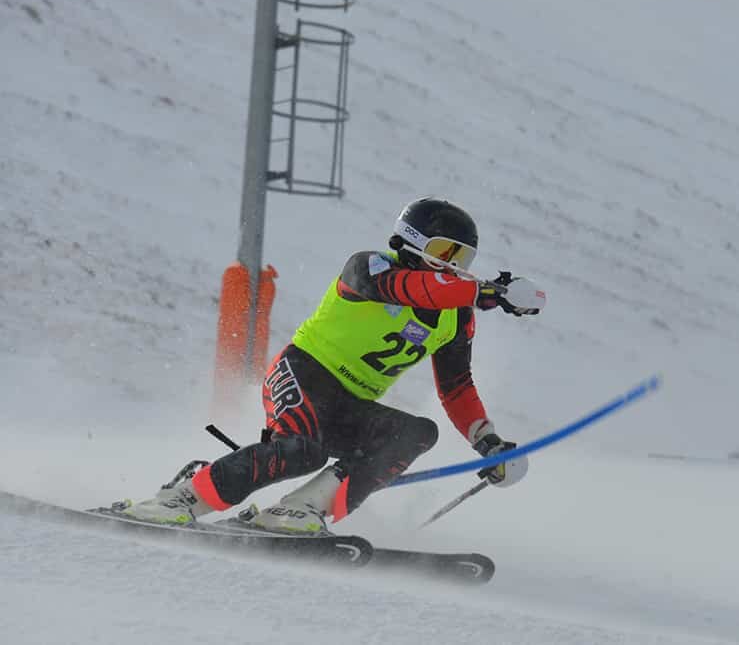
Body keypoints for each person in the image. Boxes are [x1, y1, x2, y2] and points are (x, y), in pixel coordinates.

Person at [119, 197, 544, 533]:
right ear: (410, 242)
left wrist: (488, 444)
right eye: (443, 252)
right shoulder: (370, 266)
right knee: (302, 451)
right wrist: (486, 292)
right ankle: (179, 499)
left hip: (352, 404)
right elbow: (415, 288)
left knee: (417, 432)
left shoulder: (456, 313)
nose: (453, 266)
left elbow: (456, 387)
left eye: (462, 258)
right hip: (305, 375)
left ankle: (302, 510)